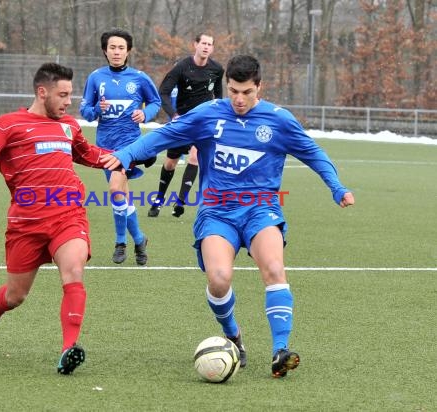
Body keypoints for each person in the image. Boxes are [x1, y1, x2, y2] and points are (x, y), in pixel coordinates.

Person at [102, 54, 355, 378]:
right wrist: (124, 155)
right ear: (227, 86)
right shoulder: (208, 115)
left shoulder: (278, 120)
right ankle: (233, 335)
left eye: (246, 92)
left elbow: (313, 154)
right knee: (219, 279)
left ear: (259, 87)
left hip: (261, 210)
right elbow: (163, 136)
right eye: (233, 91)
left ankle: (280, 350)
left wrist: (336, 187)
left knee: (275, 268)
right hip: (217, 213)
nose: (239, 98)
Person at [0, 62, 112, 375]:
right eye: (62, 94)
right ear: (42, 92)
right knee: (17, 295)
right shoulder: (9, 124)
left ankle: (67, 350)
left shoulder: (69, 126)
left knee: (73, 272)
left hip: (67, 214)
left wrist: (125, 156)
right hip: (26, 224)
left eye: (70, 94)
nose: (68, 100)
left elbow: (88, 153)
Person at [79, 28, 161, 265]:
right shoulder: (96, 78)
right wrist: (97, 110)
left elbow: (156, 102)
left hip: (130, 145)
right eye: (112, 47)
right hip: (105, 146)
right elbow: (86, 111)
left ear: (128, 51)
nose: (116, 52)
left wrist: (144, 114)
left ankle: (120, 242)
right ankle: (139, 238)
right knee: (122, 195)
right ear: (105, 51)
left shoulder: (139, 77)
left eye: (121, 48)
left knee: (116, 189)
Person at [148, 32, 223, 218]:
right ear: (195, 45)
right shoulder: (182, 67)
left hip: (204, 123)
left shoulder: (217, 69)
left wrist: (218, 116)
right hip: (182, 122)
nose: (206, 47)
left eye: (209, 44)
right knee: (170, 163)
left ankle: (180, 202)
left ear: (212, 48)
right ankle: (159, 199)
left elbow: (219, 97)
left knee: (195, 157)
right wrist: (174, 115)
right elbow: (163, 92)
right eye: (203, 43)